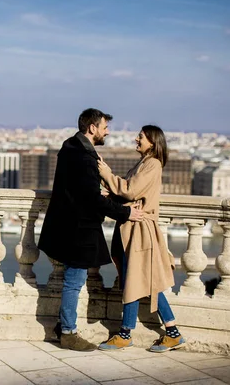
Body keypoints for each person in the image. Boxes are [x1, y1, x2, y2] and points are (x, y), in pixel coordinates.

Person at [38, 108, 144, 352]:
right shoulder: (85, 156)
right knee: (74, 282)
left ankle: (64, 325)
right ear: (93, 127)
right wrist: (127, 212)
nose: (107, 131)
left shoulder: (70, 147)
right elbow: (91, 200)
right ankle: (68, 333)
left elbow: (79, 189)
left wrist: (96, 190)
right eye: (105, 127)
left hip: (64, 225)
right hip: (79, 230)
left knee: (71, 280)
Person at [97, 125, 185, 353]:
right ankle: (172, 333)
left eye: (141, 137)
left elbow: (130, 190)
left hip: (139, 231)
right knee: (142, 280)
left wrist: (106, 172)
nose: (137, 139)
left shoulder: (152, 164)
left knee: (136, 279)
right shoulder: (144, 162)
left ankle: (126, 334)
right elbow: (126, 191)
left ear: (153, 142)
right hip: (131, 228)